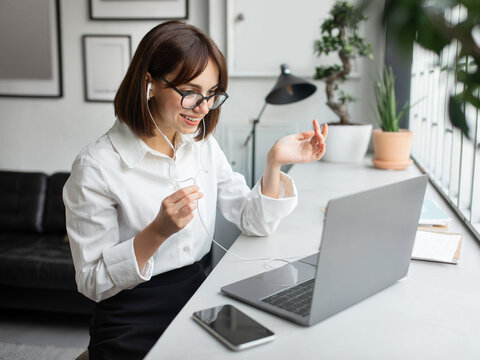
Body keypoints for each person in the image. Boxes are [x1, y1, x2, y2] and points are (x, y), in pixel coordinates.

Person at [63, 20, 328, 360]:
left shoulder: (202, 145)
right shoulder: (97, 166)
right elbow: (92, 282)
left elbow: (254, 221)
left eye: (212, 94)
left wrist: (274, 163)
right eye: (190, 92)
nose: (203, 107)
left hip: (200, 299)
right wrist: (157, 232)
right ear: (150, 84)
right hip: (132, 316)